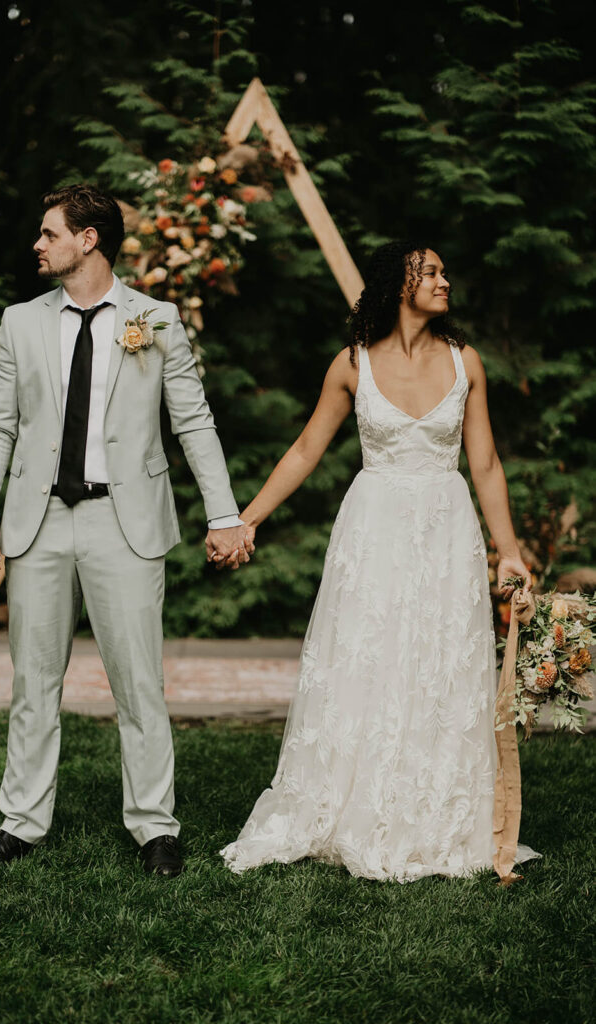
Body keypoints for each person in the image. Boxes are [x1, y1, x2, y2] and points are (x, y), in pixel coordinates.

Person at [221, 240, 539, 881]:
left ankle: (438, 816)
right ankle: (352, 807)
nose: (445, 281)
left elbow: (484, 463)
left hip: (448, 529)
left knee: (442, 663)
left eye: (445, 272)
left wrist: (508, 550)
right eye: (432, 273)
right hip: (373, 529)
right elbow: (308, 448)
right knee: (370, 659)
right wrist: (246, 518)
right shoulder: (352, 364)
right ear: (401, 285)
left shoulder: (464, 360)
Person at [0, 184, 251, 875]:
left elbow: (192, 421)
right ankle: (21, 823)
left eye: (49, 232)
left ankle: (155, 828)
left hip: (124, 525)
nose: (38, 244)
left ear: (88, 239)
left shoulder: (153, 321)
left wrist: (223, 512)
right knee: (33, 684)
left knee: (138, 682)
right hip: (38, 522)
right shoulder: (20, 322)